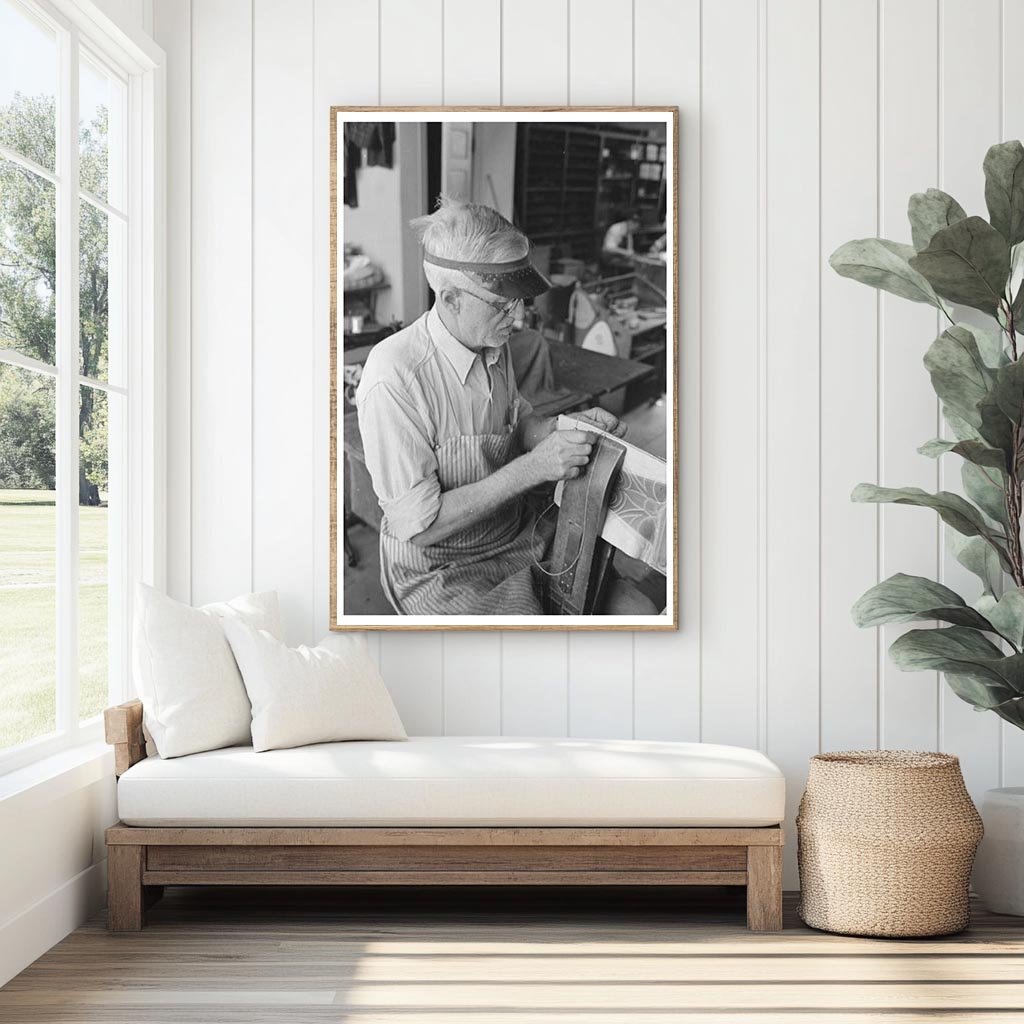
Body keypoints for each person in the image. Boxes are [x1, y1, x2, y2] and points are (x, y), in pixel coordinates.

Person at [355, 196, 637, 616]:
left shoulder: (490, 340)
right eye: (502, 304)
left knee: (637, 607)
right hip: (441, 566)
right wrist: (535, 467)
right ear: (450, 299)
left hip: (514, 535)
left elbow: (517, 419)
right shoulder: (393, 376)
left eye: (520, 299)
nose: (518, 316)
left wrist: (559, 430)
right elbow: (422, 527)